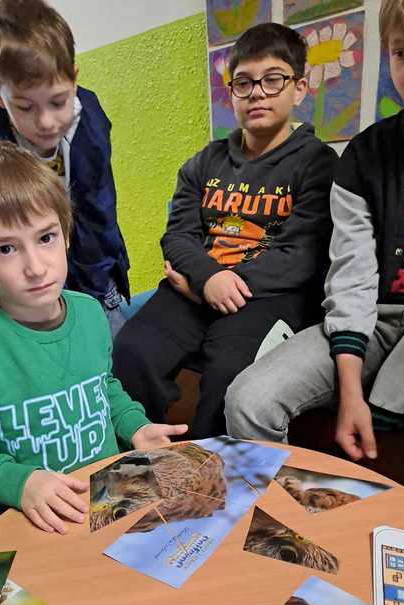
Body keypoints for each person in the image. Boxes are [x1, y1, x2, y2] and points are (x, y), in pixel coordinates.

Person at [226, 0, 404, 512]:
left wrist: (388, 396)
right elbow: (352, 275)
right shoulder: (365, 154)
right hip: (373, 320)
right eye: (402, 52)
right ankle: (281, 526)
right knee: (248, 400)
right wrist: (351, 388)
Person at [0, 142, 186, 535]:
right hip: (27, 524)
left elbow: (101, 387)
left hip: (108, 501)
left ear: (65, 233)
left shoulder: (91, 314)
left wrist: (134, 426)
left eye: (45, 238)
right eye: (6, 248)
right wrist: (16, 482)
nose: (35, 267)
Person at [112, 22, 338, 438]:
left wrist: (214, 286)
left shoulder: (319, 164)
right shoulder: (204, 162)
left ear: (300, 89)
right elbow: (177, 236)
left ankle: (211, 470)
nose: (257, 93)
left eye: (273, 80)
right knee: (131, 350)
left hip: (268, 298)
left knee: (230, 377)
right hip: (197, 287)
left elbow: (302, 256)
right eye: (244, 83)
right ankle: (143, 456)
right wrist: (208, 279)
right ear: (231, 92)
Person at [0, 0, 129, 337]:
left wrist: (93, 291)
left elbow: (99, 213)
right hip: (30, 271)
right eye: (25, 107)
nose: (45, 122)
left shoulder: (91, 127)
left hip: (94, 262)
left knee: (109, 340)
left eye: (58, 102)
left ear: (73, 79)